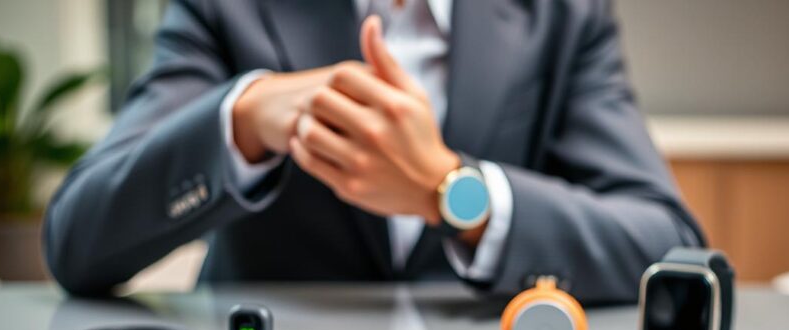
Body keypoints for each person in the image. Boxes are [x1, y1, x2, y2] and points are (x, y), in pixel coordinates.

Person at [43, 0, 704, 301]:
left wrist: (451, 191)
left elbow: (666, 244)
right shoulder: (228, 8)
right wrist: (243, 116)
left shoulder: (564, 14)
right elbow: (76, 241)